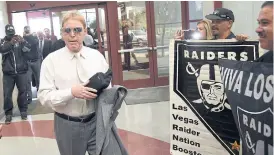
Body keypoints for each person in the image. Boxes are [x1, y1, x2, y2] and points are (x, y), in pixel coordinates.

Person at [38, 11, 110, 155]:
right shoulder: (51, 61)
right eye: (67, 30)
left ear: (85, 32)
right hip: (67, 125)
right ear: (62, 33)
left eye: (77, 30)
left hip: (97, 121)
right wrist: (71, 92)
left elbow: (108, 87)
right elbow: (44, 96)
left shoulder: (97, 57)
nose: (72, 34)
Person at [0, 24, 30, 124]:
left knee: (23, 91)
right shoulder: (3, 41)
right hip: (8, 73)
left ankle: (23, 111)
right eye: (9, 34)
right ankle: (8, 114)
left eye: (12, 33)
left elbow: (28, 50)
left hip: (21, 71)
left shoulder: (19, 39)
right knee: (7, 94)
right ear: (6, 32)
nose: (11, 35)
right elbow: (2, 50)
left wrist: (24, 42)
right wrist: (11, 43)